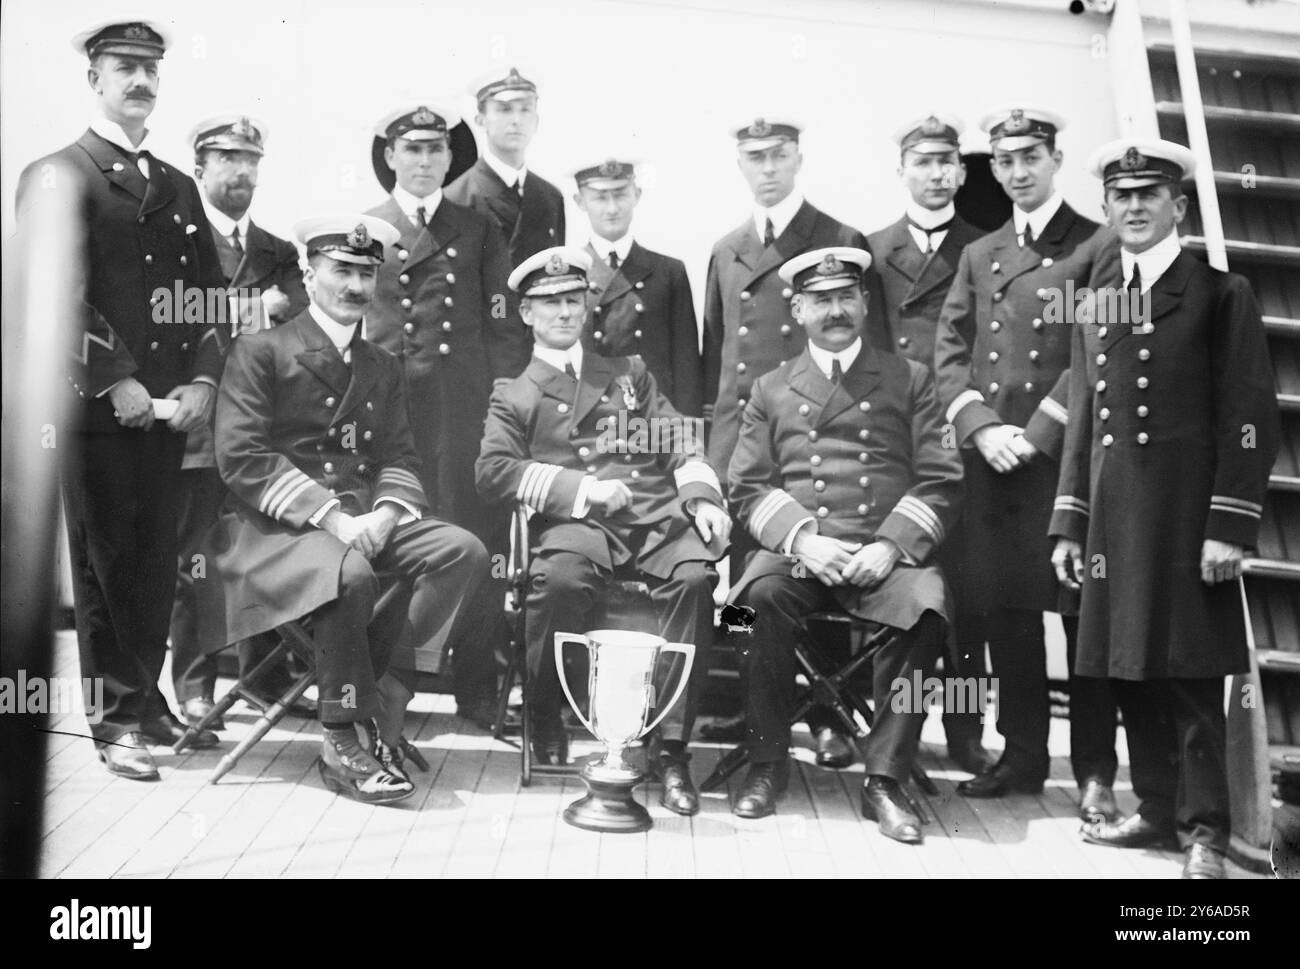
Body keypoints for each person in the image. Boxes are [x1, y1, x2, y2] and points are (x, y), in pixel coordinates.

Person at [206, 214, 497, 804]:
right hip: (275, 527)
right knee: (351, 573)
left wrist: (386, 514)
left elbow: (400, 454)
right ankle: (340, 736)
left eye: (366, 273)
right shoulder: (261, 350)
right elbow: (242, 457)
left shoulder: (381, 364)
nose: (355, 287)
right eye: (340, 270)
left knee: (462, 551)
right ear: (309, 276)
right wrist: (333, 517)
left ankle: (389, 688)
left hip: (365, 517)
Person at [1051, 139, 1279, 878]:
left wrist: (1229, 524)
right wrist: (1069, 521)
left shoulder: (1219, 294)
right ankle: (1154, 809)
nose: (1136, 207)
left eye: (1150, 195)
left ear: (1177, 206)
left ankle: (1205, 831)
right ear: (1109, 209)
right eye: (1122, 196)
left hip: (1186, 521)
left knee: (1186, 675)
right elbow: (1084, 418)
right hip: (1114, 522)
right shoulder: (1097, 301)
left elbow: (1250, 416)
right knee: (1125, 670)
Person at [16, 19, 225, 779]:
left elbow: (206, 297)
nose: (139, 81)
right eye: (123, 68)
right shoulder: (59, 174)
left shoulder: (176, 183)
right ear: (94, 81)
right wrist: (116, 378)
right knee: (106, 566)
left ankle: (145, 698)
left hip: (171, 411)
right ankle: (115, 720)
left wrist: (203, 377)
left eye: (149, 68)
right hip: (97, 413)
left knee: (155, 561)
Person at [475, 247, 731, 816]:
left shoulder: (629, 373)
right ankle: (546, 715)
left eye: (573, 300)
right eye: (550, 304)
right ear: (526, 314)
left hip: (653, 519)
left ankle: (671, 749)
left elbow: (679, 437)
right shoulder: (513, 392)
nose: (565, 313)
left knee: (696, 580)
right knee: (559, 582)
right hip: (578, 527)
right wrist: (581, 490)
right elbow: (492, 472)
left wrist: (702, 495)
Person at [727, 247, 962, 840]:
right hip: (799, 556)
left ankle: (885, 778)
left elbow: (941, 478)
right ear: (798, 309)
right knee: (741, 610)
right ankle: (766, 761)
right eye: (821, 300)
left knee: (929, 608)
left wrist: (890, 546)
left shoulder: (909, 378)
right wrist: (803, 539)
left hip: (882, 555)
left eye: (845, 297)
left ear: (862, 303)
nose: (835, 311)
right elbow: (747, 486)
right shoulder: (770, 388)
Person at [932, 104, 1121, 819]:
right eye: (1004, 161)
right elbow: (948, 349)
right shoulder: (982, 254)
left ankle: (1097, 769)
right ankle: (1022, 754)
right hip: (991, 465)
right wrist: (980, 427)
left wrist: (1035, 433)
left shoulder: (1097, 244)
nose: (1016, 173)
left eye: (1029, 159)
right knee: (1008, 611)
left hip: (1063, 464)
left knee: (1080, 619)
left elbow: (1098, 351)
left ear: (1054, 160)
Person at [701, 117, 872, 769]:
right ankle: (753, 702)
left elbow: (859, 354)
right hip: (741, 452)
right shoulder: (724, 248)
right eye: (754, 157)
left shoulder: (837, 240)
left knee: (827, 580)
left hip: (811, 446)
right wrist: (713, 465)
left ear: (799, 157)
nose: (767, 167)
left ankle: (832, 710)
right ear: (739, 164)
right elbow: (717, 359)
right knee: (743, 586)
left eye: (778, 155)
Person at [365, 102, 527, 727]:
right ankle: (380, 682)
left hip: (463, 414)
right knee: (396, 543)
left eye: (436, 150)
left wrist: (502, 413)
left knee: (478, 548)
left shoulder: (478, 226)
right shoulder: (366, 226)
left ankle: (477, 691)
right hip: (390, 416)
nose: (425, 161)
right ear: (391, 157)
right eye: (413, 150)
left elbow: (504, 329)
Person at [170, 113, 312, 730]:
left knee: (267, 548)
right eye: (226, 159)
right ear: (200, 168)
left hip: (261, 427)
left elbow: (298, 328)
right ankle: (195, 690)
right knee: (195, 559)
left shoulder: (278, 250)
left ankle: (265, 679)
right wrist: (256, 307)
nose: (240, 172)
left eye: (250, 161)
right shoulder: (178, 237)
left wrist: (245, 313)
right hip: (200, 424)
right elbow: (173, 313)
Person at [864, 112, 991, 775]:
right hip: (896, 441)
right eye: (923, 162)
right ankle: (878, 727)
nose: (936, 173)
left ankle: (965, 729)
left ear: (962, 172)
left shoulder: (987, 245)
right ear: (902, 171)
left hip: (961, 440)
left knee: (962, 596)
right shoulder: (871, 249)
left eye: (947, 161)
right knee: (896, 589)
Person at [573, 158, 704, 417]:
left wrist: (690, 439)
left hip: (654, 415)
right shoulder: (572, 272)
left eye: (621, 195)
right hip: (592, 416)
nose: (612, 208)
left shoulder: (668, 271)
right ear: (580, 202)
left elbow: (686, 365)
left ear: (637, 195)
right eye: (600, 197)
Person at [445, 67, 565, 267]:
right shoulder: (455, 198)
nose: (516, 120)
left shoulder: (551, 197)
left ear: (536, 121)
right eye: (504, 109)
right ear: (481, 120)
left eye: (525, 109)